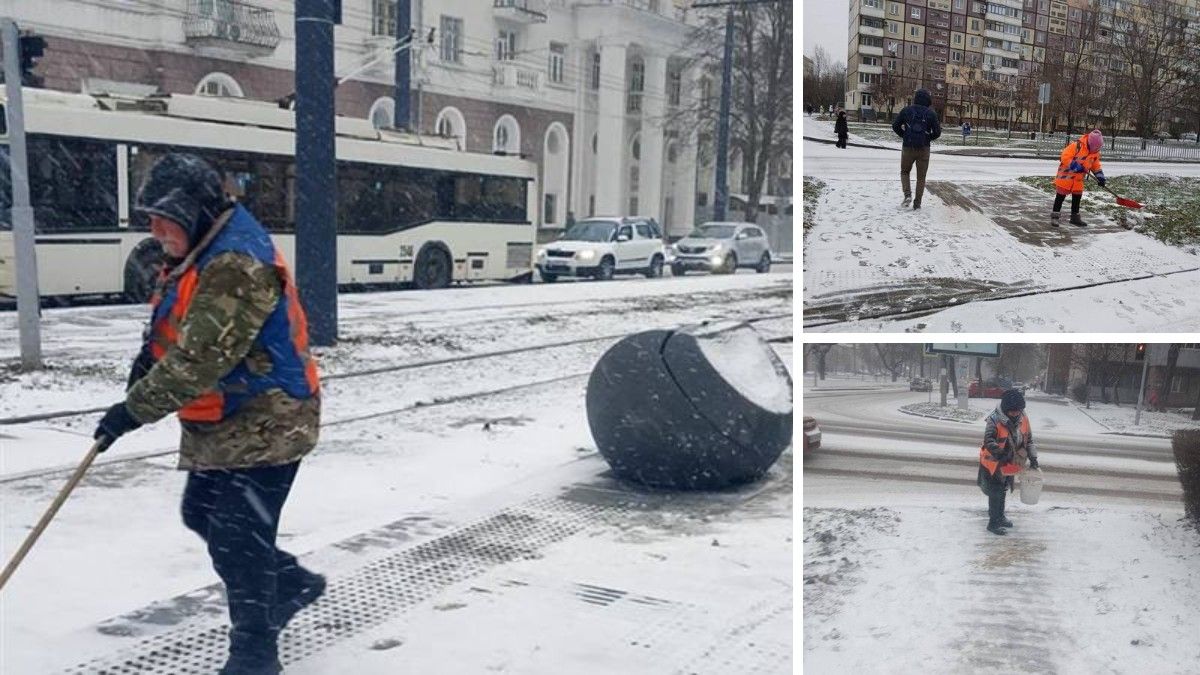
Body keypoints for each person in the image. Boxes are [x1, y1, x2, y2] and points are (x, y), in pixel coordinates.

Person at [93, 153, 324, 675]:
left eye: (161, 216)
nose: (152, 229)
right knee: (201, 513)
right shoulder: (197, 247)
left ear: (193, 211)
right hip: (226, 413)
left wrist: (130, 412)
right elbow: (177, 325)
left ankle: (255, 655)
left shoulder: (236, 266)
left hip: (271, 415)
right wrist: (144, 364)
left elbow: (198, 361)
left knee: (237, 537)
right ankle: (289, 584)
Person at [978, 389, 1039, 536]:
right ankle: (993, 523)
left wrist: (1033, 457)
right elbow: (989, 441)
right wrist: (1001, 454)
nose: (1015, 414)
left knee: (1004, 488)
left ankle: (1000, 517)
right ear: (1005, 410)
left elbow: (1029, 439)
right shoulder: (994, 419)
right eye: (1012, 412)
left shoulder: (1023, 418)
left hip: (1010, 461)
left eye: (1017, 411)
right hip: (993, 461)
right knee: (995, 491)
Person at [891, 88, 942, 209]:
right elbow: (937, 132)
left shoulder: (907, 110)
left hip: (908, 147)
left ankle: (907, 195)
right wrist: (928, 138)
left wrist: (904, 135)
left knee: (905, 171)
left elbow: (895, 126)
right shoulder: (931, 113)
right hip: (924, 149)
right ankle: (917, 202)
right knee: (921, 177)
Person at [1053, 128, 1105, 227]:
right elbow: (1065, 156)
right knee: (1060, 197)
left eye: (1099, 148)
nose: (1097, 149)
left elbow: (1096, 165)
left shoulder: (1095, 153)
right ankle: (1055, 217)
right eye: (1096, 147)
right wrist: (1075, 166)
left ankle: (1075, 218)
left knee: (1077, 198)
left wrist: (1100, 177)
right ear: (1091, 144)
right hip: (1065, 177)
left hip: (1078, 180)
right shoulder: (1077, 146)